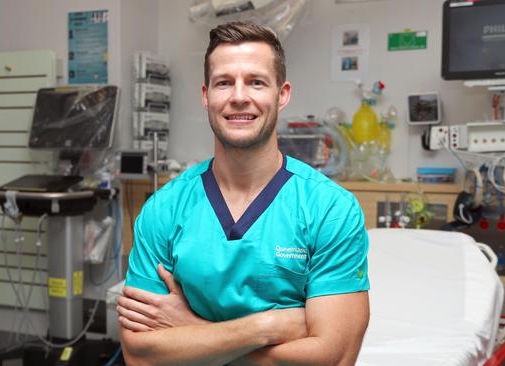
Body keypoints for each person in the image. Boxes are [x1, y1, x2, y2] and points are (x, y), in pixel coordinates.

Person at [119, 21, 370, 366]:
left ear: (281, 95)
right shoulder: (164, 209)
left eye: (256, 82)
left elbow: (334, 358)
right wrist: (264, 327)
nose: (239, 97)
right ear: (206, 96)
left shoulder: (330, 209)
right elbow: (139, 356)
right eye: (224, 83)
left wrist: (192, 331)